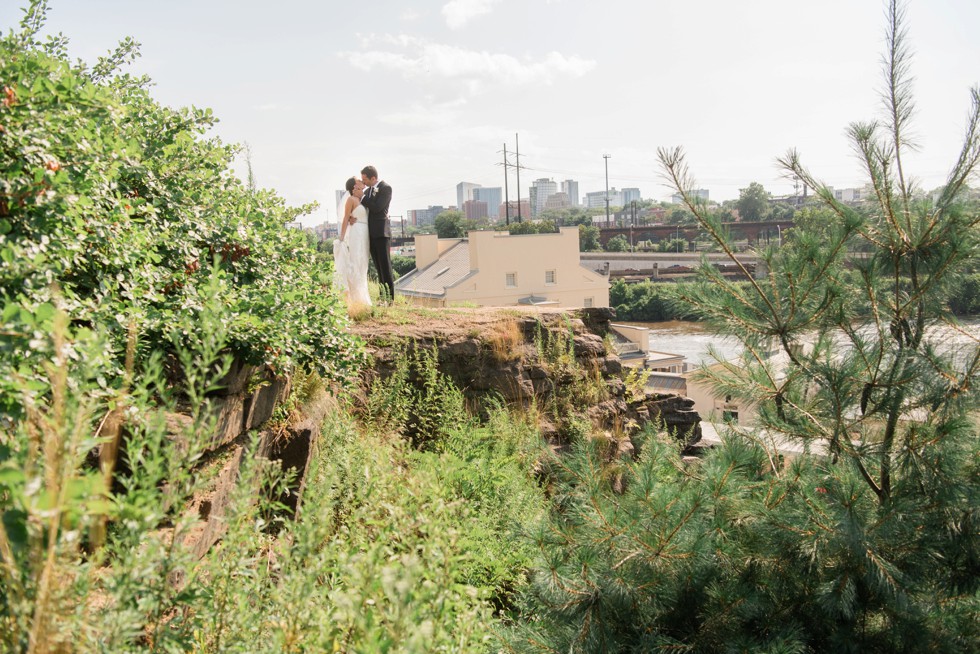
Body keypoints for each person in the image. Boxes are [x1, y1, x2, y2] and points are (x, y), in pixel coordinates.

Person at [333, 176, 372, 307]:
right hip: (356, 233)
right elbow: (345, 218)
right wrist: (341, 238)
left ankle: (362, 297)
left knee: (363, 263)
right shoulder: (351, 199)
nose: (361, 181)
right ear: (354, 186)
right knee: (356, 262)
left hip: (365, 233)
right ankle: (356, 299)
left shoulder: (363, 198)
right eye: (358, 180)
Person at [359, 165, 395, 303]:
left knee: (385, 267)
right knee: (378, 268)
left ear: (373, 178)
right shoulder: (368, 191)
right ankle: (382, 297)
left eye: (365, 179)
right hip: (371, 234)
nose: (364, 182)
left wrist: (362, 197)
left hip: (381, 233)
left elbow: (377, 208)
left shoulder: (386, 188)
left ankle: (389, 299)